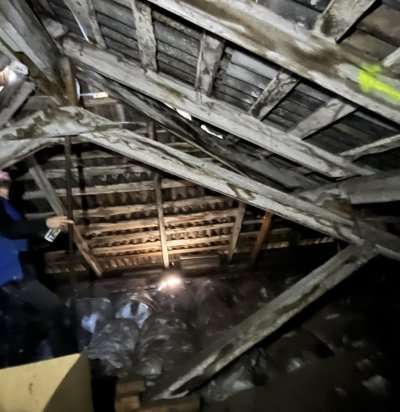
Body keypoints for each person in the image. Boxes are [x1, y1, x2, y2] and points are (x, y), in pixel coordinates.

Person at [0, 170, 74, 363]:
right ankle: (69, 363)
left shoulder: (11, 209)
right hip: (9, 273)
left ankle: (17, 367)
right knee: (53, 308)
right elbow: (11, 231)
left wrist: (53, 234)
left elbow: (29, 241)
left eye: (6, 171)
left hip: (20, 271)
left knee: (20, 325)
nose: (4, 171)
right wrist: (46, 222)